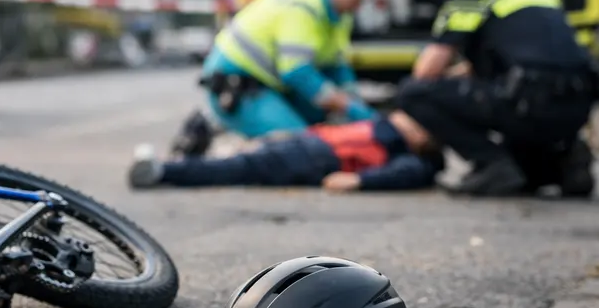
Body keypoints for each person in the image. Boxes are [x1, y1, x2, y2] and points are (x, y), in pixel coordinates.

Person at [398, 0, 597, 197]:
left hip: (528, 101)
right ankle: (564, 161)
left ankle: (491, 164)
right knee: (526, 172)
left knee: (414, 92)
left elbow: (426, 71)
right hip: (577, 103)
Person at [191, 0, 380, 149]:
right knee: (302, 148)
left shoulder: (338, 13)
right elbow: (296, 72)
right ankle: (229, 145)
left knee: (323, 127)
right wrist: (347, 106)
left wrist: (356, 104)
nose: (358, 7)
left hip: (267, 84)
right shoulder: (304, 5)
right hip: (237, 85)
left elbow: (336, 65)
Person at [128, 109, 443, 192]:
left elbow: (407, 172)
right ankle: (175, 163)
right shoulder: (394, 133)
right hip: (310, 142)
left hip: (314, 156)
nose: (406, 119)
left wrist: (359, 181)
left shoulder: (409, 156)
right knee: (240, 157)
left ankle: (163, 170)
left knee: (239, 166)